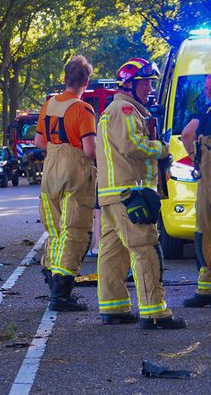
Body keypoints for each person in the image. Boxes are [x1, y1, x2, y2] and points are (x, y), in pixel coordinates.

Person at [96, 57, 184, 329]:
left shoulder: (115, 110)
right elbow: (132, 145)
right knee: (145, 248)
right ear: (129, 85)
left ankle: (114, 307)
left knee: (113, 252)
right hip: (130, 193)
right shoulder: (125, 110)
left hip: (113, 194)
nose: (149, 88)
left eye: (150, 83)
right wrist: (161, 148)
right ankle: (154, 312)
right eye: (144, 83)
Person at [33, 55, 97, 311]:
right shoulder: (83, 109)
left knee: (56, 230)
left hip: (50, 172)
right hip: (75, 173)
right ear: (86, 81)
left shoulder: (49, 105)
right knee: (75, 231)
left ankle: (52, 278)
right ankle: (62, 294)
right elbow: (89, 149)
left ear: (65, 78)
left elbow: (39, 142)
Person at [179, 72, 211, 307]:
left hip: (207, 178)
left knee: (205, 230)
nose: (208, 91)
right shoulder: (207, 111)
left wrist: (195, 158)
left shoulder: (206, 112)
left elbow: (187, 134)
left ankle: (206, 287)